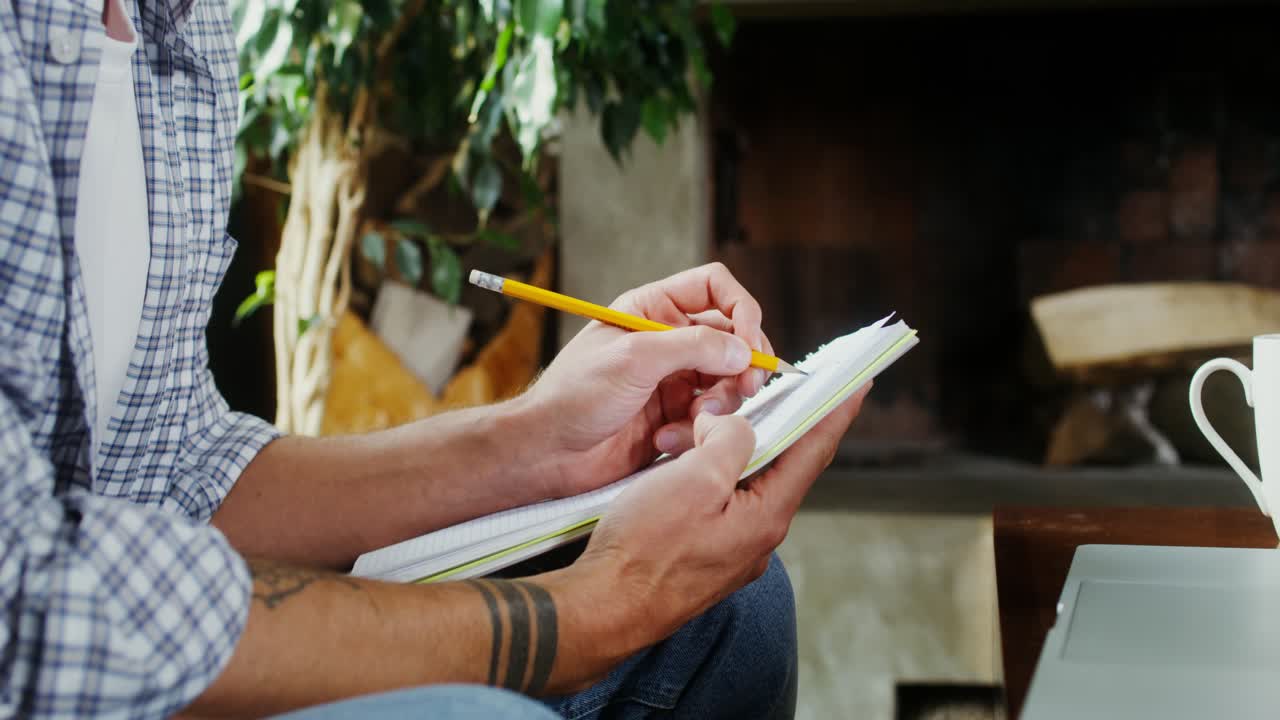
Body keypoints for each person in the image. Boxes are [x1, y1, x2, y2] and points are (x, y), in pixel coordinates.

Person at [0, 0, 870, 718]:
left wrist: (532, 443)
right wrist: (589, 615)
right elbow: (29, 609)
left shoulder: (183, 32)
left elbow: (168, 473)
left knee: (734, 614)